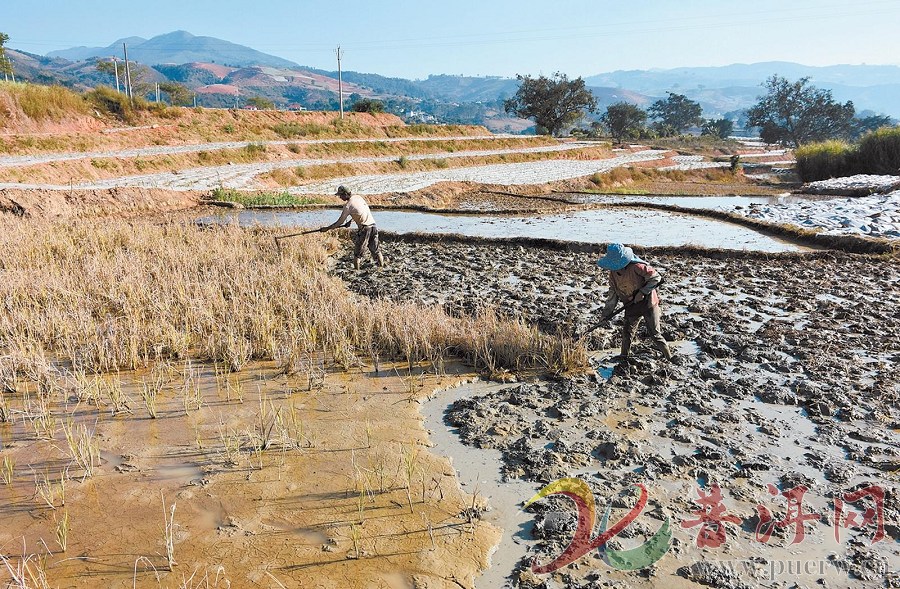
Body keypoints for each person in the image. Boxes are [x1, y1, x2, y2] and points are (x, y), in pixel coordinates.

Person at [597, 243, 672, 361]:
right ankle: (624, 356)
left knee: (655, 334)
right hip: (630, 305)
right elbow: (612, 297)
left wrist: (642, 292)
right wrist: (605, 315)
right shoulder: (612, 275)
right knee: (627, 333)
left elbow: (656, 278)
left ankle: (669, 358)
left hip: (648, 303)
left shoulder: (637, 267)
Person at [323, 185, 385, 270]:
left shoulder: (348, 206)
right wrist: (350, 221)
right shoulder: (358, 198)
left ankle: (356, 271)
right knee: (376, 250)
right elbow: (360, 212)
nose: (340, 197)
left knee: (357, 254)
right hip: (373, 226)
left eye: (341, 195)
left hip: (364, 229)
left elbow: (340, 222)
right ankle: (381, 268)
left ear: (345, 194)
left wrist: (327, 228)